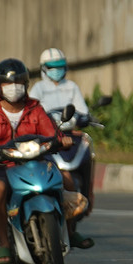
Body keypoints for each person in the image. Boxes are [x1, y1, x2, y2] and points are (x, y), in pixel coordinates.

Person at [0, 58, 67, 264]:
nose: (14, 88)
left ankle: (70, 228)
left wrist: (60, 140)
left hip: (36, 161)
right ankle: (4, 241)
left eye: (19, 83)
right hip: (4, 166)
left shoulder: (35, 108)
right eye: (8, 83)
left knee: (64, 178)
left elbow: (50, 132)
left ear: (26, 84)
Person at [29, 47, 95, 248]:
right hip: (47, 139)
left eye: (60, 67)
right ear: (43, 69)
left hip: (70, 136)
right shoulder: (38, 90)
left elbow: (82, 110)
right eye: (52, 67)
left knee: (89, 149)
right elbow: (32, 113)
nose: (57, 71)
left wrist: (85, 119)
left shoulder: (72, 87)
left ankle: (89, 194)